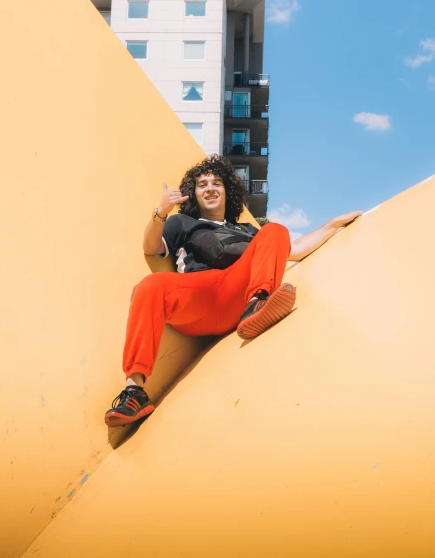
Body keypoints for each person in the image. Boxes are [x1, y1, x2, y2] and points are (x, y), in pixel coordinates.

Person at [105, 155, 361, 427]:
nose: (210, 188)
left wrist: (333, 225)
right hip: (198, 296)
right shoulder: (183, 222)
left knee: (275, 230)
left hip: (238, 297)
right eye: (202, 184)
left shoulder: (249, 230)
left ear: (228, 190)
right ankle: (134, 392)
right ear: (194, 193)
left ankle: (258, 304)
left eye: (217, 183)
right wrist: (161, 213)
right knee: (149, 286)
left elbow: (294, 249)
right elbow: (150, 247)